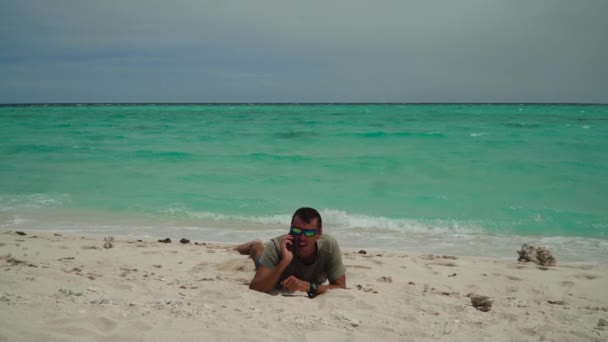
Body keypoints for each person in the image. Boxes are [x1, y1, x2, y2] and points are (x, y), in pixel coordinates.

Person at [235, 207, 346, 298]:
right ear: (290, 230)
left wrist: (308, 286)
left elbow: (340, 288)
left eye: (308, 232)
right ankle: (254, 246)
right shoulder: (277, 246)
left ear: (319, 234)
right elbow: (256, 287)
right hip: (274, 274)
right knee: (259, 257)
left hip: (308, 283)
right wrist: (284, 262)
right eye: (296, 231)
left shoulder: (329, 246)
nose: (301, 238)